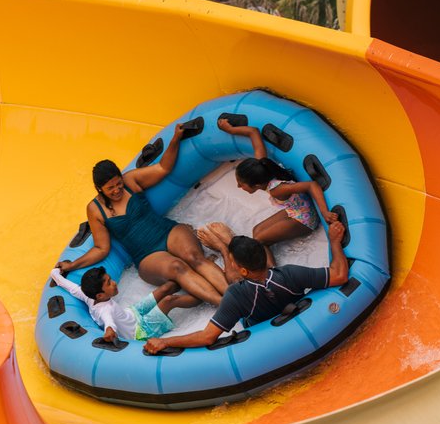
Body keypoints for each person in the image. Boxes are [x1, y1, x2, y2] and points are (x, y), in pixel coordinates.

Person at [59, 125, 229, 306]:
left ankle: (236, 294)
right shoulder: (95, 209)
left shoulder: (130, 181)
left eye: (118, 183)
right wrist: (72, 265)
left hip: (167, 232)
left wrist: (175, 139)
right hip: (147, 256)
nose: (117, 190)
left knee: (194, 258)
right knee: (178, 267)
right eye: (111, 188)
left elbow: (163, 168)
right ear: (100, 189)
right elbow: (101, 248)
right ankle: (227, 304)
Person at [144, 220, 349, 354]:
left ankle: (224, 248)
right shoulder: (290, 274)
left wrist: (166, 342)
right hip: (281, 294)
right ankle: (228, 245)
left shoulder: (236, 295)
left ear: (242, 269)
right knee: (245, 279)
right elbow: (339, 275)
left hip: (258, 323)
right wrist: (334, 242)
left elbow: (207, 337)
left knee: (232, 282)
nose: (232, 266)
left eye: (233, 262)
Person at [216, 117, 336, 265]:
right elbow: (253, 133)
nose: (239, 187)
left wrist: (324, 212)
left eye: (242, 184)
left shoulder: (277, 190)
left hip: (305, 219)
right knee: (256, 231)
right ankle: (267, 253)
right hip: (294, 209)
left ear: (258, 184)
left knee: (259, 240)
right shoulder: (262, 165)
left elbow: (311, 185)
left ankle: (274, 273)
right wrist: (230, 130)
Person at [50, 266, 199, 344]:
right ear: (100, 295)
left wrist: (56, 274)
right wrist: (109, 333)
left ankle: (195, 278)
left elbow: (72, 288)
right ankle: (202, 296)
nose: (113, 283)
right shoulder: (105, 310)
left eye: (110, 279)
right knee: (168, 300)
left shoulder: (89, 296)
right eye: (109, 283)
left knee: (166, 289)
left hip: (134, 313)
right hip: (141, 331)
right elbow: (109, 324)